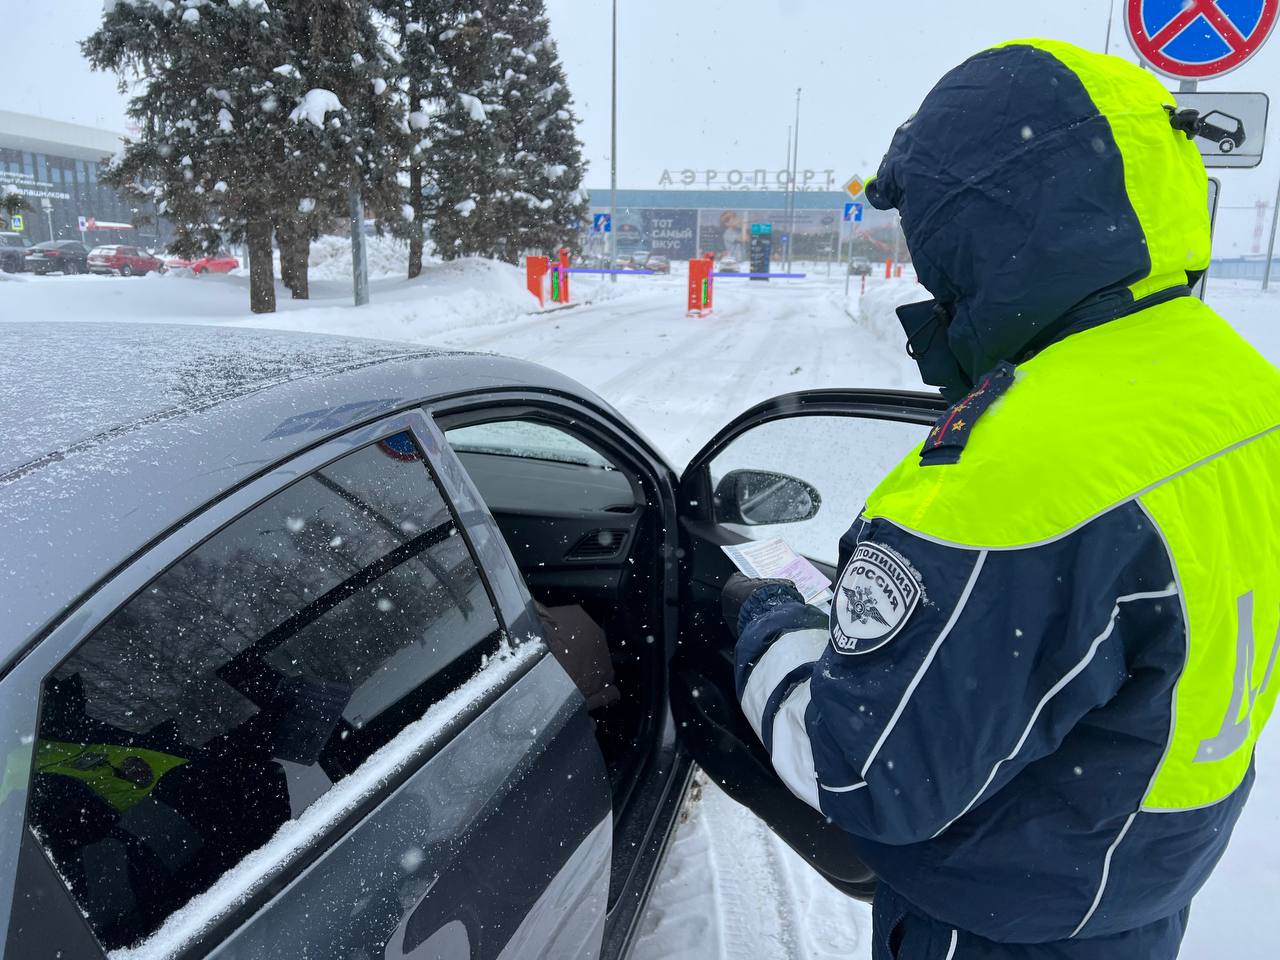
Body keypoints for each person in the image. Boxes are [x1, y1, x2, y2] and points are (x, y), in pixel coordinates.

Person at [722, 38, 1280, 959]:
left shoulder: (1017, 474)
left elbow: (866, 774)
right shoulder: (1242, 389)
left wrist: (771, 624)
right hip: (1137, 879)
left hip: (1001, 921)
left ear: (980, 220)